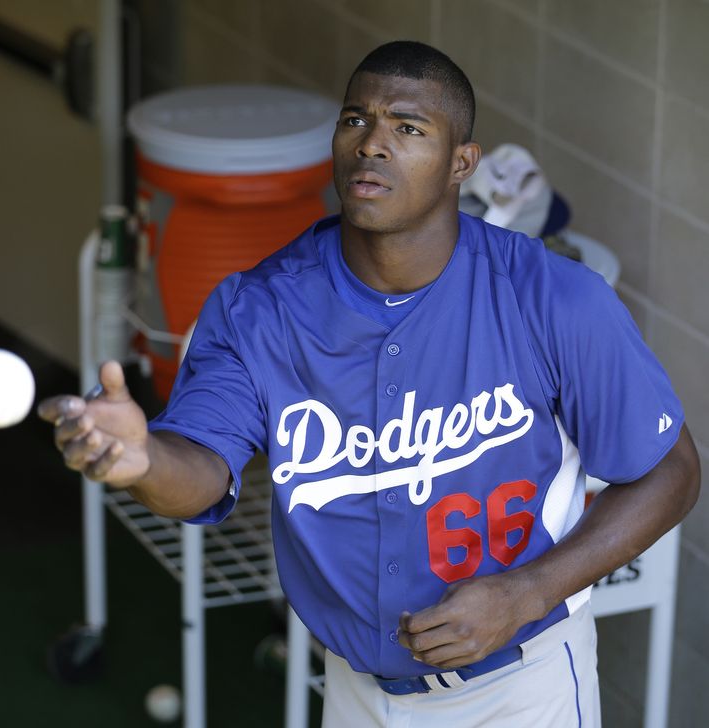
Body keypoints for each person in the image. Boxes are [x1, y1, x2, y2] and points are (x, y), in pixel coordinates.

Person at [40, 41, 700, 728]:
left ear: (460, 164)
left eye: (407, 128)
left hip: (522, 689)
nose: (372, 144)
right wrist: (144, 458)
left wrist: (528, 592)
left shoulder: (553, 299)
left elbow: (673, 471)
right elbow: (204, 468)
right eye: (356, 121)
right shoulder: (259, 308)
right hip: (355, 693)